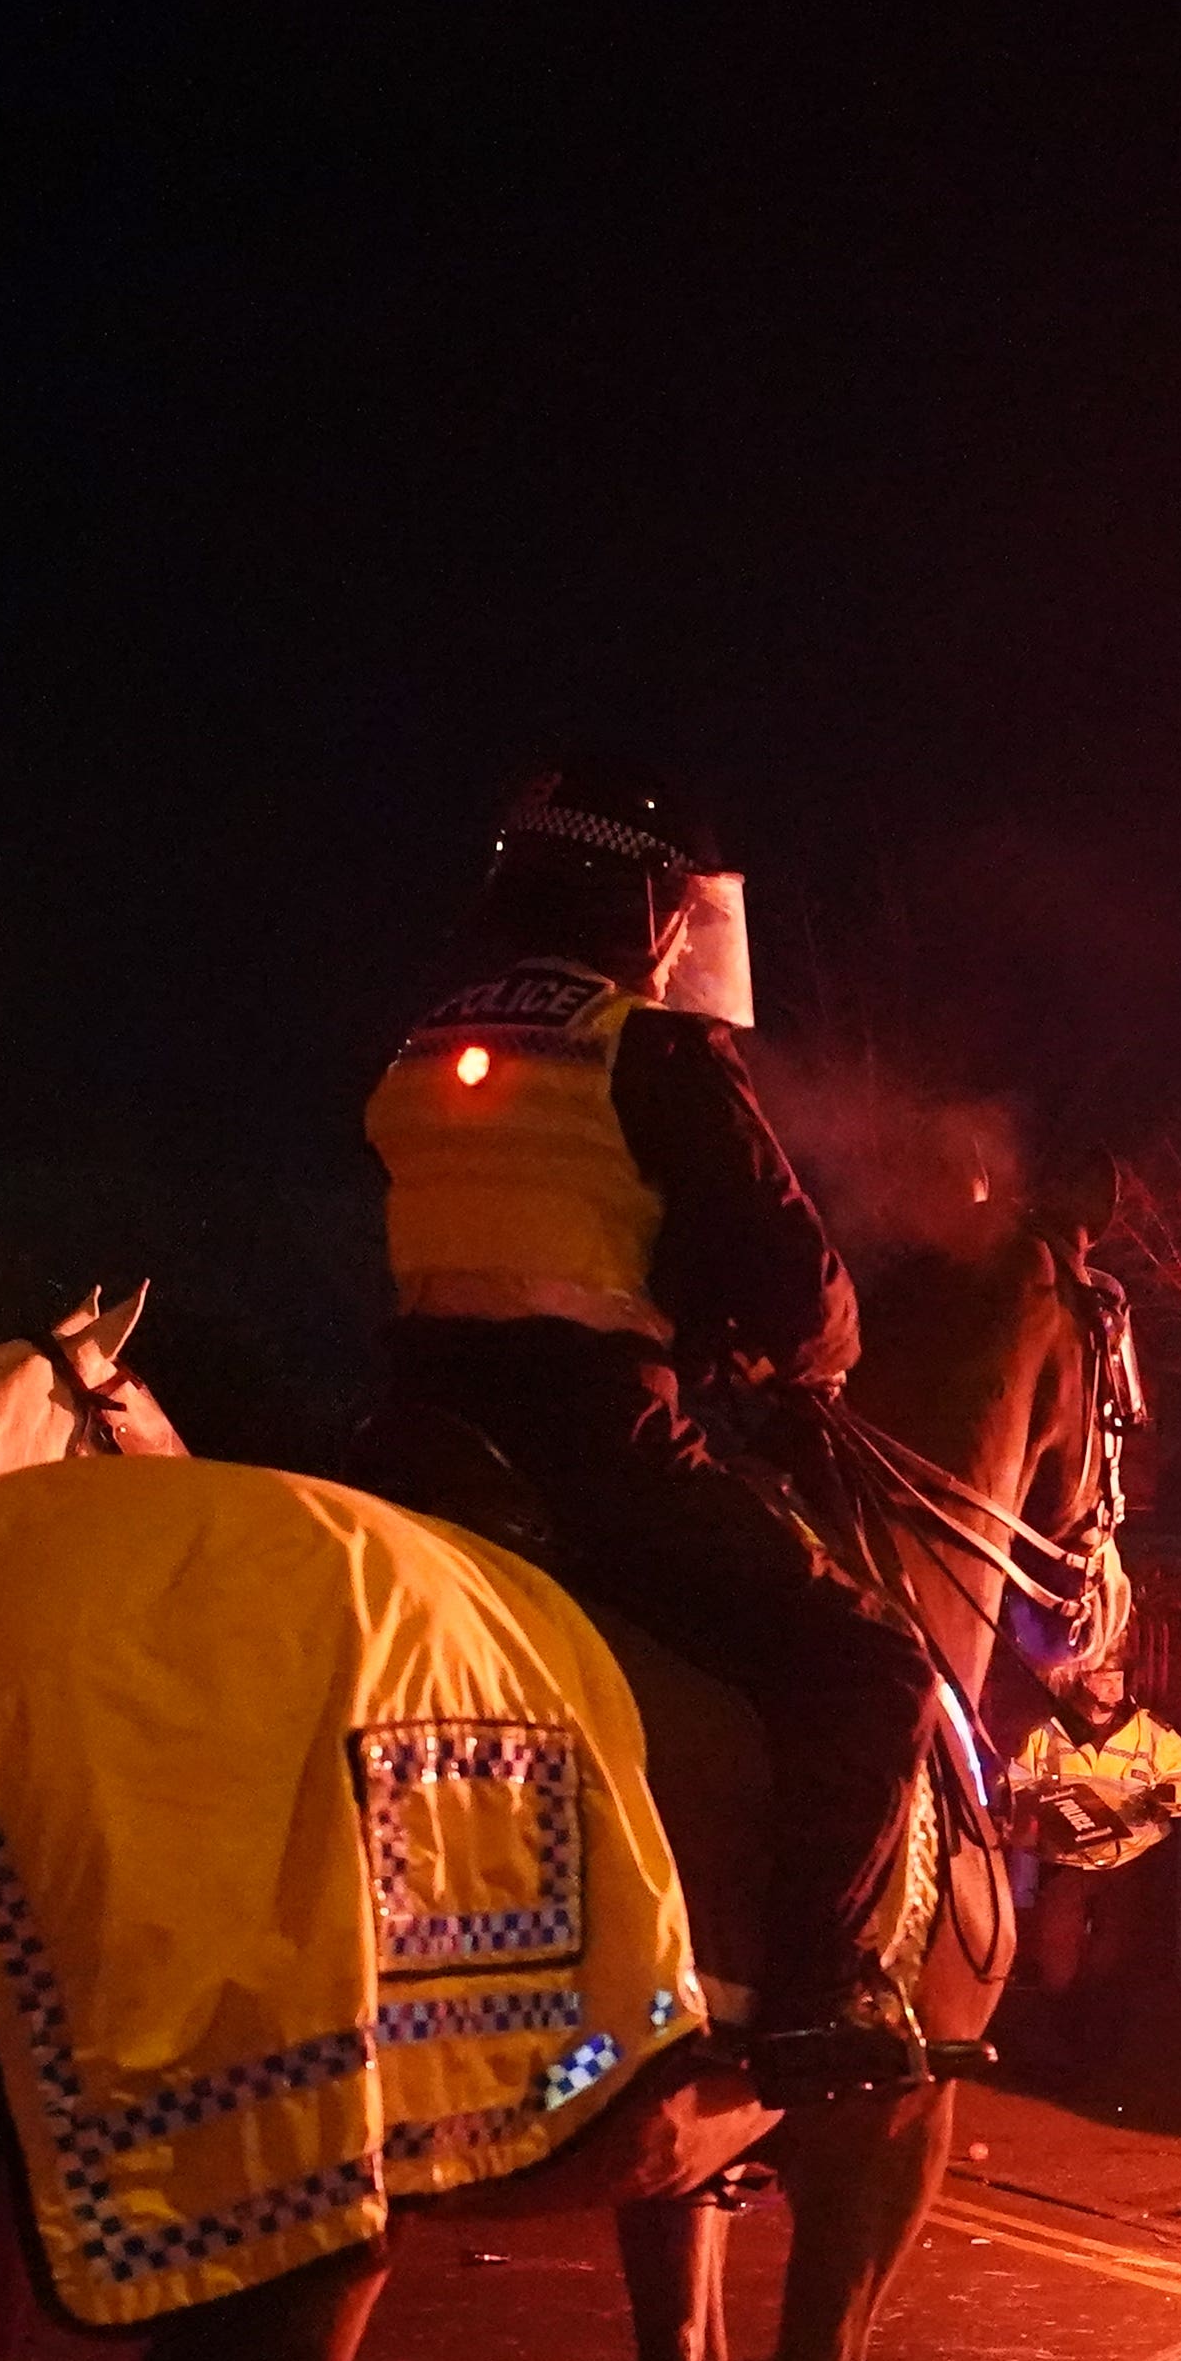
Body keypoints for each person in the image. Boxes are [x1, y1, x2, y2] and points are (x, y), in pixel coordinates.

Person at [364, 763, 943, 2099]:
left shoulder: (426, 1038)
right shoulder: (640, 1039)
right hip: (589, 1454)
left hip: (410, 1436)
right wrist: (803, 1353)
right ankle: (816, 2001)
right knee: (868, 1668)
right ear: (643, 902)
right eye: (681, 911)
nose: (688, 938)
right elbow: (795, 1286)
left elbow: (535, 1217)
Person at [992, 1657, 1181, 2085]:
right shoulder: (1045, 1731)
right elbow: (1011, 1783)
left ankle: (1105, 2063)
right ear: (1079, 1679)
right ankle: (1063, 2055)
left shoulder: (1151, 1730)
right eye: (1100, 1677)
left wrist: (1167, 1797)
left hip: (1129, 1862)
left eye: (1117, 1678)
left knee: (1113, 1965)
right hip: (1066, 1864)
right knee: (1056, 1968)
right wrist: (1033, 1805)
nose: (1110, 1686)